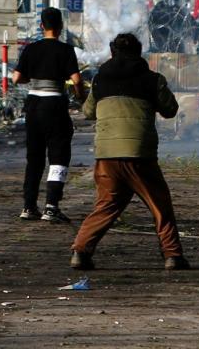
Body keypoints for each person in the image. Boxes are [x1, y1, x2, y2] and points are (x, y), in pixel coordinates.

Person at [70, 33, 189, 271]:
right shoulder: (152, 79)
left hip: (106, 156)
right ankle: (173, 255)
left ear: (113, 53)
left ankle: (80, 252)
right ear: (139, 52)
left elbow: (88, 112)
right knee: (160, 205)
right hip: (139, 155)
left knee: (106, 205)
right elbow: (171, 110)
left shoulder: (100, 80)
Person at [12, 7, 85, 223]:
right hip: (55, 104)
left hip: (33, 105)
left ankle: (28, 206)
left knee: (34, 158)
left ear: (41, 26)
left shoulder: (30, 49)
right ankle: (51, 206)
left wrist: (33, 80)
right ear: (60, 27)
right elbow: (77, 80)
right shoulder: (66, 50)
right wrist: (80, 97)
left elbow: (17, 78)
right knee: (58, 156)